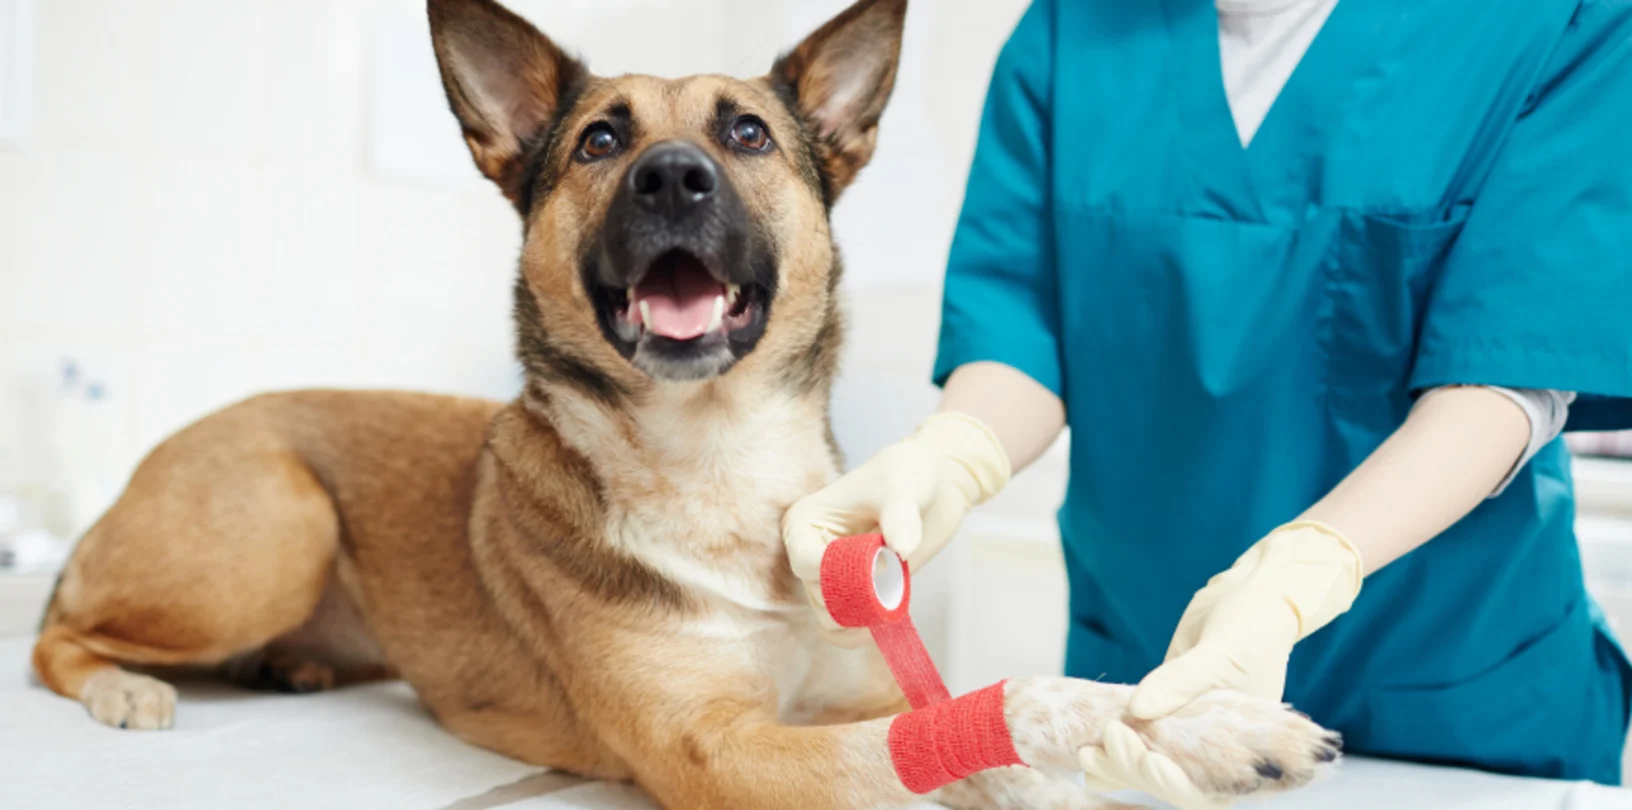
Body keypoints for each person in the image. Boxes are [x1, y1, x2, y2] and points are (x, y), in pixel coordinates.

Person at [782, 0, 1632, 802]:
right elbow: (1022, 330)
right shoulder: (1069, 30)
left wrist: (1301, 574)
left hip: (1457, 695)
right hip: (1157, 687)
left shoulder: (1551, 22)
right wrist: (953, 455)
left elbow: (1508, 366)